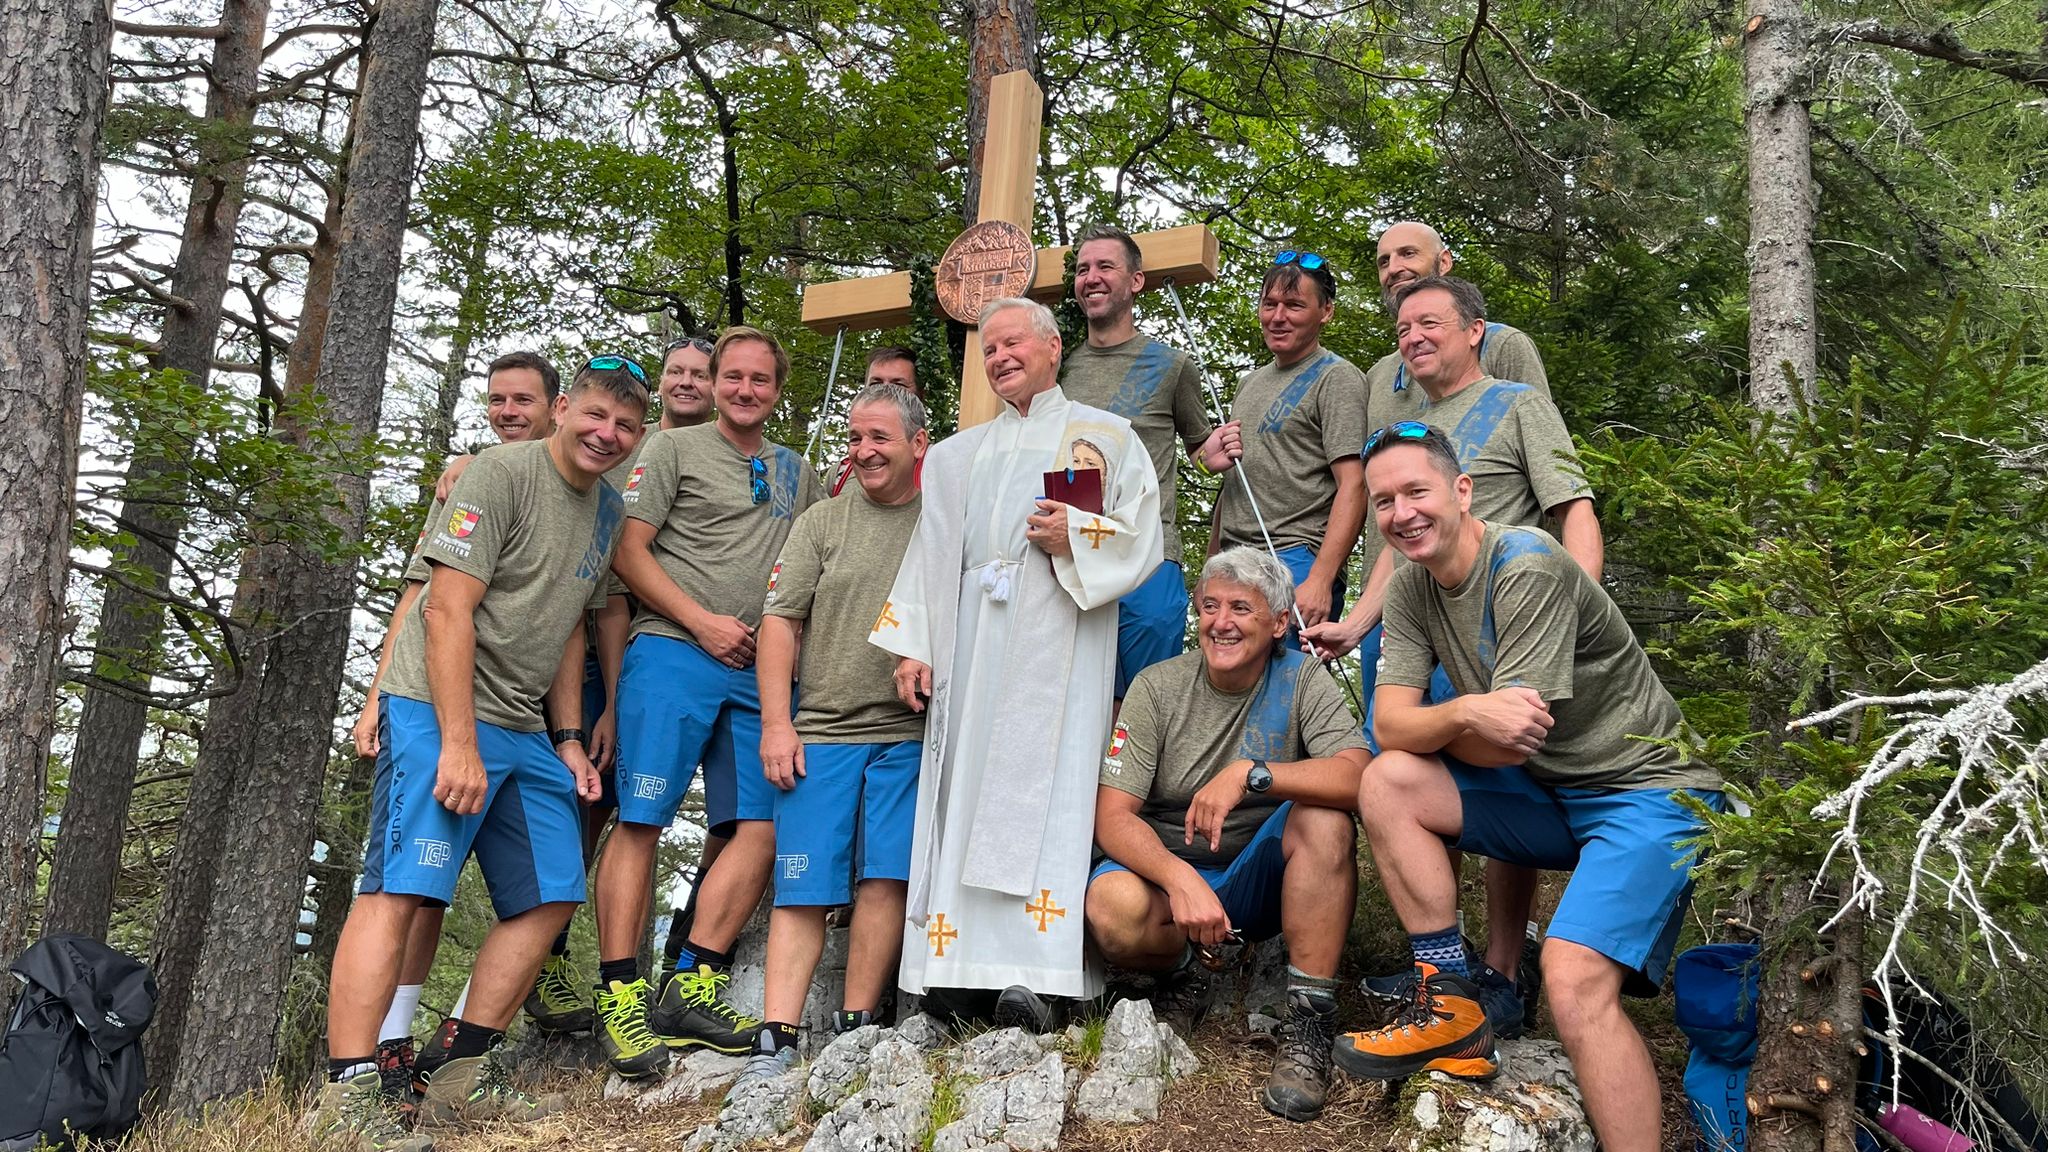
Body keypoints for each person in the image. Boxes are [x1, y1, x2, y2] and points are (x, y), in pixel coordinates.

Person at [1334, 423, 1723, 1152]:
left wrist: (1448, 721)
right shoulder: (1413, 584)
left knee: (1573, 981)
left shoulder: (1526, 564)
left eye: (1416, 491)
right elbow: (1390, 724)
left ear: (1461, 491)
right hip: (1553, 794)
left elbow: (1512, 735)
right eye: (1383, 501)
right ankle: (1452, 1001)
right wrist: (1462, 709)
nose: (1401, 513)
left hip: (1648, 792)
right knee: (1388, 781)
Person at [310, 360, 647, 1152]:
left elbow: (567, 623)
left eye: (626, 427)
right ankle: (350, 1091)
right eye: (595, 416)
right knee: (400, 886)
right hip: (436, 706)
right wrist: (458, 745)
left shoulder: (604, 510)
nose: (607, 434)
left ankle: (450, 1076)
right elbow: (445, 612)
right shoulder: (499, 474)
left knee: (553, 893)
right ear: (564, 409)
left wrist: (566, 738)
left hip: (523, 726)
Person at [1304, 274, 1600, 1031]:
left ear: (1476, 330)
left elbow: (1575, 512)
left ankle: (1503, 969)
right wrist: (1357, 625)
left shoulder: (1518, 404)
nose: (1414, 338)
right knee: (1412, 783)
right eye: (1403, 329)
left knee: (1510, 779)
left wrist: (1575, 613)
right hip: (1418, 629)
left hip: (1511, 625)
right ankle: (1446, 966)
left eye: (1430, 323)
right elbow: (1394, 551)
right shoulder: (1410, 429)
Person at [872, 297, 1162, 1029]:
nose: (1000, 356)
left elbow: (1142, 540)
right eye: (989, 348)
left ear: (1053, 347)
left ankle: (1039, 976)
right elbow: (929, 553)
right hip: (973, 643)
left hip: (1060, 632)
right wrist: (916, 644)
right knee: (962, 794)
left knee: (1050, 789)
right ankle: (953, 976)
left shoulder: (1097, 439)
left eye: (1013, 344)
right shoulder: (954, 455)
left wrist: (1081, 534)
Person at [592, 326, 824, 1079]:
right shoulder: (672, 450)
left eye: (761, 380)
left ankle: (694, 979)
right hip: (673, 650)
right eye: (735, 377)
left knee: (764, 822)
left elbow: (823, 549)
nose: (746, 390)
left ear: (778, 391)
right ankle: (622, 990)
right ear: (716, 380)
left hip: (761, 671)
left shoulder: (796, 470)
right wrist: (701, 622)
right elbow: (627, 552)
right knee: (642, 817)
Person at [1087, 547, 1368, 1121]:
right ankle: (1184, 969)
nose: (1222, 622)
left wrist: (1253, 775)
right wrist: (1178, 877)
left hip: (1257, 873)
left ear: (1279, 622)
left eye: (1242, 607)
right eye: (1210, 606)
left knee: (1325, 818)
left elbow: (1358, 773)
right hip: (1170, 873)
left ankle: (1308, 1024)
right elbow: (1113, 815)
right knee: (1109, 907)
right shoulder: (1157, 686)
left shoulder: (1303, 679)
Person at [345, 350, 563, 1089]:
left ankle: (436, 1057)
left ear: (553, 407)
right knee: (411, 885)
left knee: (472, 890)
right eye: (497, 400)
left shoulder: (585, 489)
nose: (508, 412)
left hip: (527, 711)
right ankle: (371, 1061)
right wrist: (376, 697)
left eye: (522, 400)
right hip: (440, 700)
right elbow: (422, 599)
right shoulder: (473, 481)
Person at [734, 383, 931, 1087]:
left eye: (879, 437)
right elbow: (781, 621)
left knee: (885, 878)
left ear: (918, 444)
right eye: (854, 438)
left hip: (906, 735)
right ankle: (775, 1035)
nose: (863, 451)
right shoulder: (821, 521)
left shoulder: (943, 521)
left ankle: (855, 1030)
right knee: (803, 885)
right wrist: (777, 724)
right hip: (819, 729)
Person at [1058, 223, 1214, 698]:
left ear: (1136, 281)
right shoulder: (1058, 368)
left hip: (1149, 559)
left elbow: (1200, 448)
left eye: (1106, 266)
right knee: (1081, 704)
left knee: (1148, 705)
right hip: (1076, 559)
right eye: (1083, 269)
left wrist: (1219, 449)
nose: (1092, 277)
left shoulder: (1172, 365)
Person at [1197, 251, 1368, 640]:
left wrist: (1322, 578)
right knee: (1231, 691)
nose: (1278, 317)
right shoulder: (1249, 384)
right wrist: (1210, 566)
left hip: (1295, 558)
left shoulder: (1338, 378)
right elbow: (1235, 480)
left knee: (1287, 691)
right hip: (1232, 558)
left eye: (1294, 305)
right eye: (1269, 304)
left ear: (1326, 312)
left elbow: (1354, 484)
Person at [1366, 221, 1547, 401]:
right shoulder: (1376, 377)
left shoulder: (1501, 345)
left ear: (1444, 262)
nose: (1393, 268)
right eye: (1384, 262)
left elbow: (1537, 421)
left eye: (1408, 254)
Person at [829, 346, 922, 496]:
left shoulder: (941, 468)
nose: (884, 393)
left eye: (898, 386)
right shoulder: (841, 473)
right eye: (875, 385)